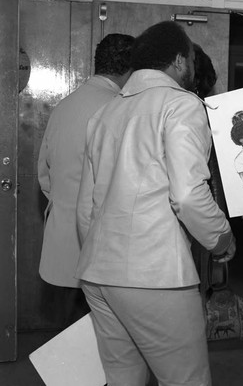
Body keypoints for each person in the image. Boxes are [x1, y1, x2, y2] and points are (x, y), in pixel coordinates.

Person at [75, 21, 236, 386]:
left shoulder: (104, 113)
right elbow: (188, 195)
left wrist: (101, 261)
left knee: (122, 378)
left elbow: (86, 208)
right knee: (185, 380)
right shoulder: (182, 105)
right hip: (154, 275)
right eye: (192, 59)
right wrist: (222, 238)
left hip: (99, 272)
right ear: (180, 61)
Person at [37, 33, 135, 326]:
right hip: (102, 241)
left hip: (61, 234)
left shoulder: (64, 106)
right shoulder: (120, 109)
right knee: (105, 334)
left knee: (67, 327)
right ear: (131, 69)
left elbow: (44, 173)